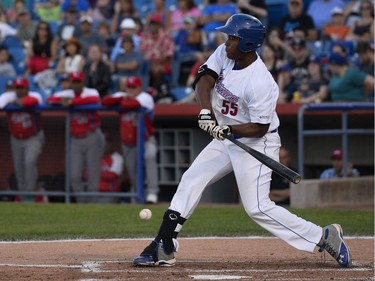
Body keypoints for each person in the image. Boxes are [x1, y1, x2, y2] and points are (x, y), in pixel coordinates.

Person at [132, 14, 351, 269]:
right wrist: (206, 111)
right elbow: (205, 78)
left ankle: (322, 236)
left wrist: (225, 128)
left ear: (247, 44)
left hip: (257, 142)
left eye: (233, 38)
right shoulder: (225, 53)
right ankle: (164, 243)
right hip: (225, 134)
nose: (227, 42)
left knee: (257, 207)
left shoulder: (261, 83)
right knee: (193, 177)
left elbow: (259, 128)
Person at [46, 71, 105, 203]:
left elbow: (95, 99)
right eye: (74, 82)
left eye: (79, 81)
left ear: (83, 82)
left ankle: (93, 205)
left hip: (92, 136)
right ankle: (82, 203)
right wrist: (63, 101)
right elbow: (49, 99)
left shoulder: (91, 92)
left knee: (93, 174)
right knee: (74, 175)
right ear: (71, 83)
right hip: (75, 139)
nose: (76, 84)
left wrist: (72, 102)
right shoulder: (67, 93)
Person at [102, 76, 159, 204]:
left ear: (139, 87)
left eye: (134, 87)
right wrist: (122, 98)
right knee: (133, 171)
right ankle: (139, 195)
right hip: (128, 143)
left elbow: (134, 104)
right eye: (129, 87)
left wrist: (123, 100)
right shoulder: (123, 95)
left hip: (145, 139)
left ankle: (152, 192)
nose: (131, 89)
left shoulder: (145, 97)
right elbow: (105, 101)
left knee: (150, 156)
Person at [0, 77, 44, 202]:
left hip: (33, 137)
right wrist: (12, 101)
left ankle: (29, 195)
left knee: (29, 163)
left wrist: (17, 102)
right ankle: (22, 195)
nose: (20, 90)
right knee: (19, 168)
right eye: (17, 88)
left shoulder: (34, 95)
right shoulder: (8, 98)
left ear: (27, 88)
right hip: (16, 139)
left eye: (22, 88)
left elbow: (33, 101)